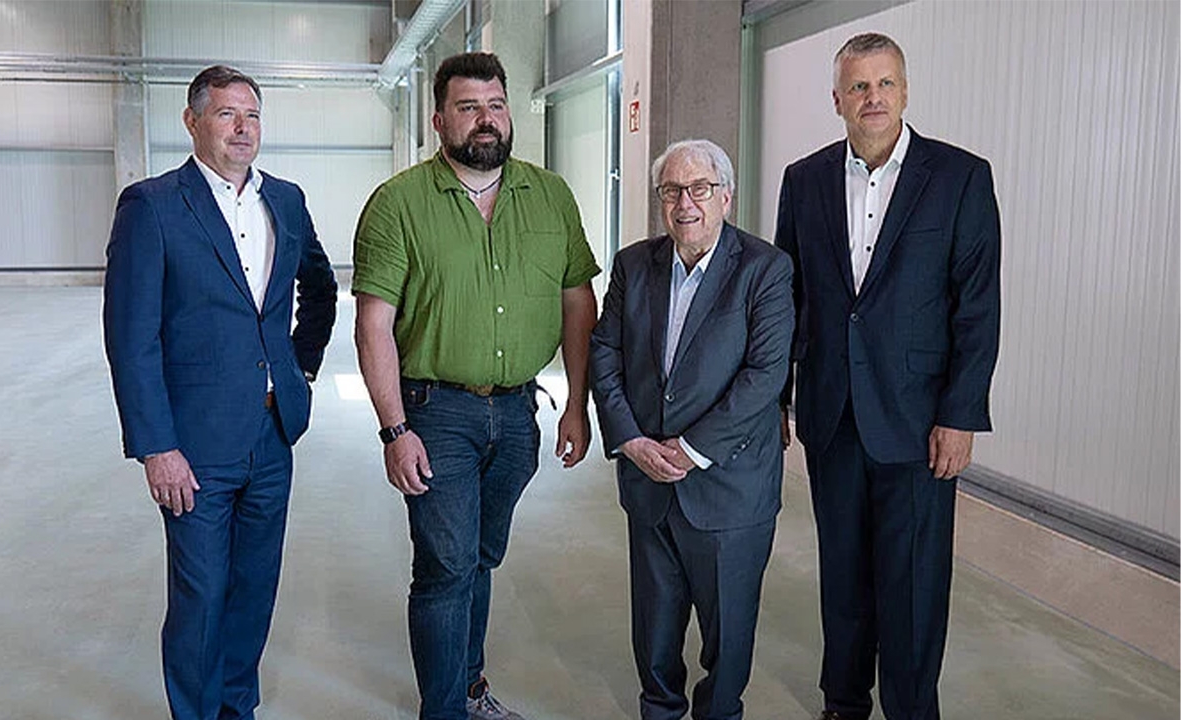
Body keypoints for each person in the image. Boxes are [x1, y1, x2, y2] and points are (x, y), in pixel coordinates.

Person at [352, 52, 600, 720]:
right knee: (446, 566)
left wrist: (576, 403)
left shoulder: (550, 194)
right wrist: (394, 428)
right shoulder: (399, 204)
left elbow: (579, 300)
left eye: (495, 105)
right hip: (436, 413)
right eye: (468, 108)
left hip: (519, 413)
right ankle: (446, 709)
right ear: (439, 120)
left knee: (481, 558)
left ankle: (467, 687)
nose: (485, 120)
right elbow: (373, 323)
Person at [774, 33, 1002, 720]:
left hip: (919, 420)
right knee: (842, 576)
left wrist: (961, 414)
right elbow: (791, 298)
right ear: (837, 99)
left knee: (912, 584)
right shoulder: (804, 179)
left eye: (886, 84)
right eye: (859, 87)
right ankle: (843, 702)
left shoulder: (960, 177)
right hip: (833, 412)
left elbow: (978, 307)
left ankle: (909, 708)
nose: (872, 98)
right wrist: (780, 401)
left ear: (905, 92)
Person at [103, 65, 337, 720]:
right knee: (201, 596)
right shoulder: (152, 206)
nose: (243, 128)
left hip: (271, 434)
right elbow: (132, 338)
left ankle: (239, 709)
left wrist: (301, 372)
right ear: (193, 121)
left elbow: (319, 289)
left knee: (254, 588)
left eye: (253, 115)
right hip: (196, 445)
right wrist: (157, 447)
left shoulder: (284, 200)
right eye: (228, 114)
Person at [589, 139, 794, 720]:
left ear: (725, 196)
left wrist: (692, 447)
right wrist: (629, 438)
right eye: (672, 191)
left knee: (728, 635)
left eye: (699, 189)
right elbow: (605, 352)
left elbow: (765, 375)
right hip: (648, 480)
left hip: (730, 489)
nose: (686, 203)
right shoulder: (634, 264)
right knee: (653, 626)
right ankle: (659, 709)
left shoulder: (765, 269)